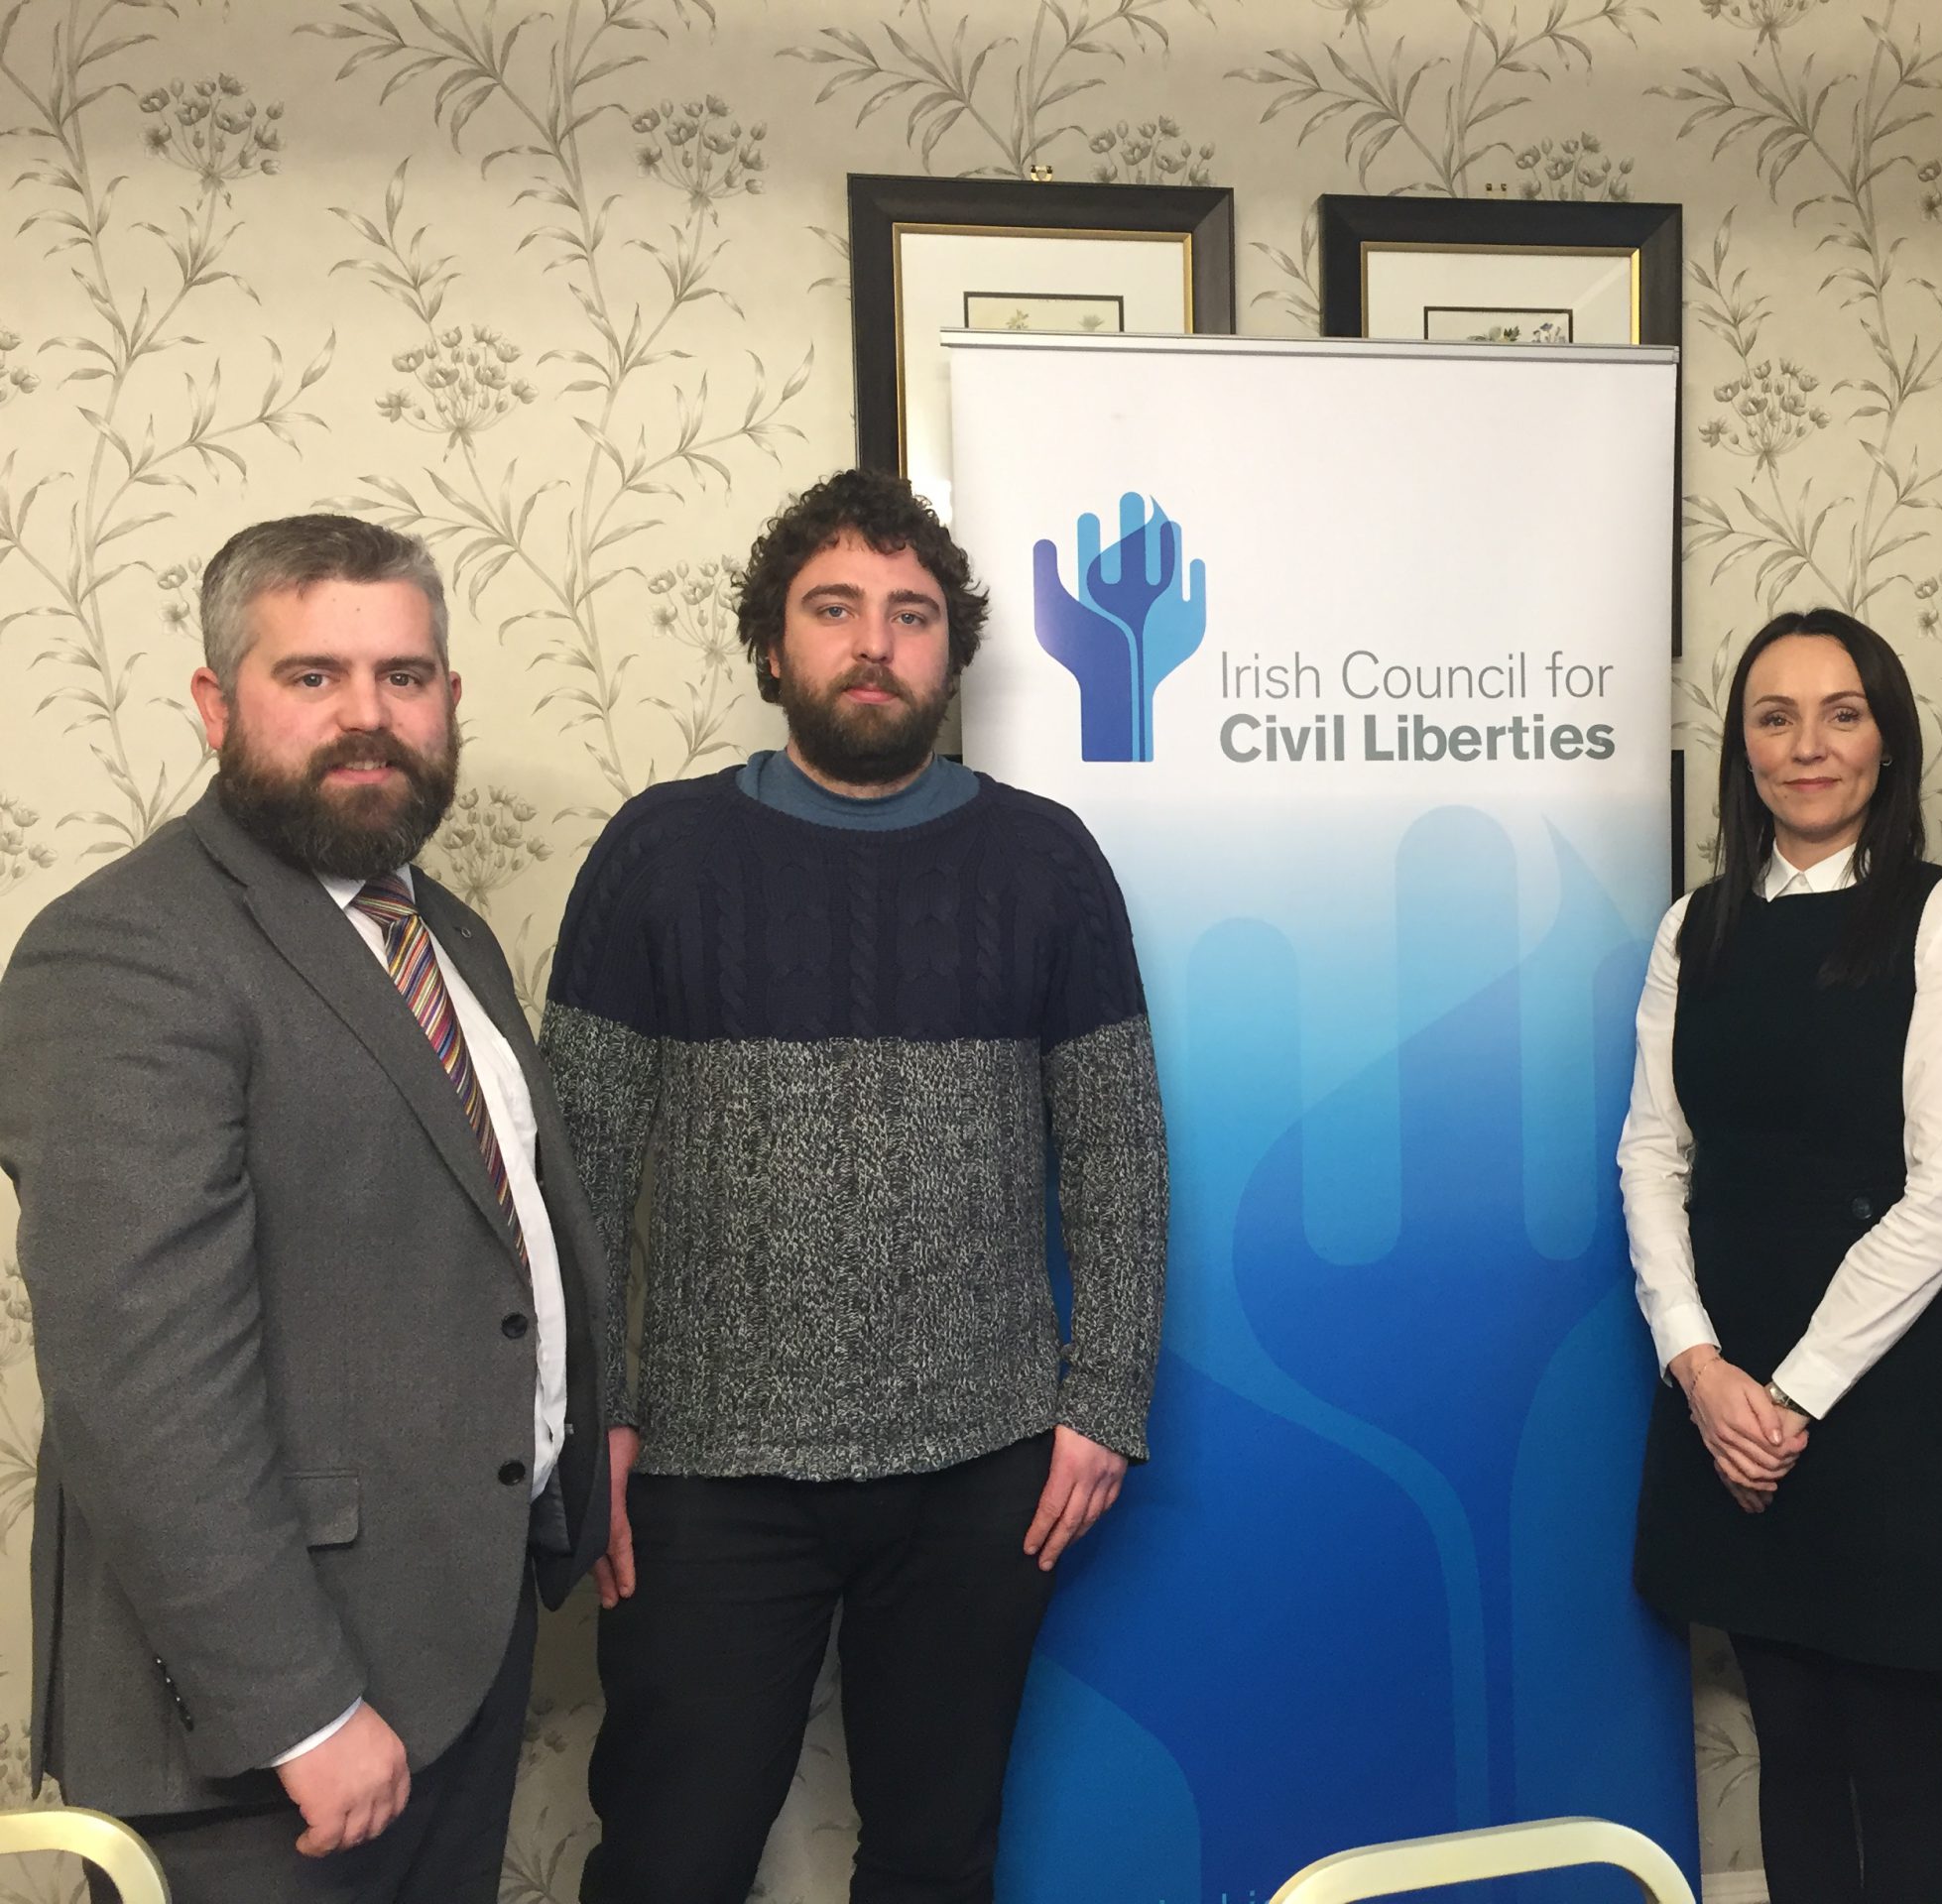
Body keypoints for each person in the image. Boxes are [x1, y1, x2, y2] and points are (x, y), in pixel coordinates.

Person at [543, 468, 1169, 1904]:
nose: (874, 642)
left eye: (912, 614)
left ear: (952, 652)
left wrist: (1103, 1402)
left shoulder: (1047, 862)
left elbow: (1120, 1148)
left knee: (936, 1863)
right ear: (774, 645)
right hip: (706, 1473)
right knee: (667, 1861)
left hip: (980, 1465)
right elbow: (574, 1167)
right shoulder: (658, 852)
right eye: (835, 609)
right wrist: (599, 1422)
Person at [0, 515, 613, 1902]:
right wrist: (299, 1707)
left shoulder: (434, 929)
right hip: (266, 1725)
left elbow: (490, 1239)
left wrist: (579, 1449)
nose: (368, 720)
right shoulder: (126, 950)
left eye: (404, 677)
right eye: (313, 676)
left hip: (447, 1647)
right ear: (217, 704)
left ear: (450, 701)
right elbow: (140, 1382)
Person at [1622, 609, 1942, 1904]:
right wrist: (1698, 1366)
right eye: (1773, 718)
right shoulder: (1694, 930)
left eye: (1841, 713)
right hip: (1721, 1396)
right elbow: (1651, 1157)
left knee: (1895, 1759)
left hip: (1879, 1402)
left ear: (1888, 739)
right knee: (1788, 1745)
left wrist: (1790, 1397)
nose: (1807, 746)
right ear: (1743, 749)